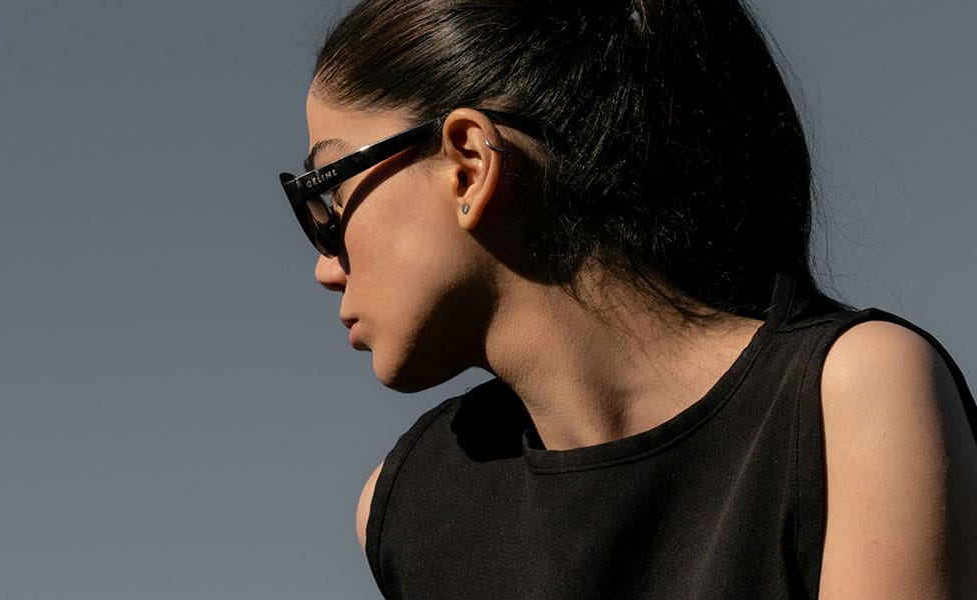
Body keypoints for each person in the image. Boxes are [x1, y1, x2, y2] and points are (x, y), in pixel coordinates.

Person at [278, 0, 977, 597]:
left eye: (327, 197)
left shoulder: (846, 399)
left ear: (468, 165)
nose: (324, 267)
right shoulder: (409, 506)